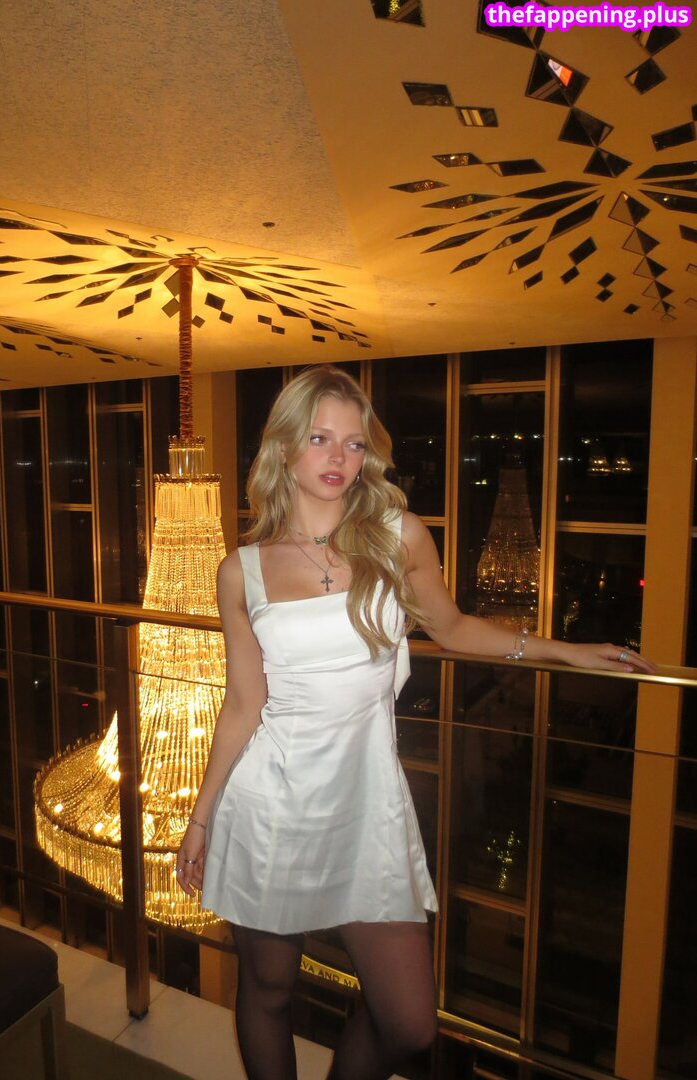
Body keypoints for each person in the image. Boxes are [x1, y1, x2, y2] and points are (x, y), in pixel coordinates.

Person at [176, 365, 655, 1080]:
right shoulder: (240, 571)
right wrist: (202, 816)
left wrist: (566, 650)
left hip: (366, 807)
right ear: (283, 447)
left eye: (354, 443)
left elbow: (454, 628)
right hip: (268, 807)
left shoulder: (397, 537)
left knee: (408, 1023)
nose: (340, 458)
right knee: (268, 989)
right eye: (320, 438)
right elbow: (244, 704)